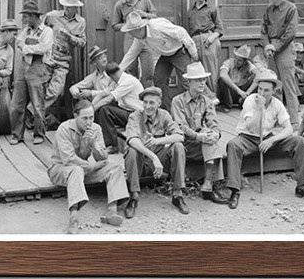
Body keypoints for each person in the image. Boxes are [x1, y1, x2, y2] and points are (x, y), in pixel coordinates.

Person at [224, 69, 304, 210]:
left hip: (268, 138)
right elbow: (250, 126)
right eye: (260, 89)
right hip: (247, 138)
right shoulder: (250, 100)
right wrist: (259, 109)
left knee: (298, 141)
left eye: (266, 90)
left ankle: (302, 186)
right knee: (232, 145)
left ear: (273, 91)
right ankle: (234, 191)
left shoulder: (277, 104)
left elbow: (289, 129)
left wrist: (272, 140)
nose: (261, 93)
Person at [48, 97, 129, 234]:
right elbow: (69, 160)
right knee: (76, 169)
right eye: (85, 118)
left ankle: (112, 211)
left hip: (82, 171)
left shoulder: (95, 128)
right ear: (75, 116)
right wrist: (92, 166)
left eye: (91, 117)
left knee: (115, 167)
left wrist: (94, 145)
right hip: (60, 170)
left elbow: (102, 158)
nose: (89, 122)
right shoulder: (64, 129)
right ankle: (74, 218)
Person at [123, 86, 188, 218]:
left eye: (152, 102)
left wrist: (157, 141)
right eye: (145, 102)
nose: (147, 106)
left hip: (159, 160)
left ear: (159, 103)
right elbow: (132, 140)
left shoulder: (164, 115)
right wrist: (153, 157)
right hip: (141, 163)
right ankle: (134, 196)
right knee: (131, 151)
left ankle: (177, 195)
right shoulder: (134, 116)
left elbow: (180, 136)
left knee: (178, 146)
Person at [171, 62, 229, 204]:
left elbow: (213, 122)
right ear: (189, 82)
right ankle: (210, 186)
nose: (202, 83)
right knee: (207, 138)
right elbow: (181, 126)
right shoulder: (178, 101)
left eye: (203, 80)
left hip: (201, 142)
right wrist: (198, 136)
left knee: (211, 136)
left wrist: (216, 133)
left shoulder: (207, 101)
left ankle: (208, 185)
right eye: (197, 80)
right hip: (184, 143)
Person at [118, 11, 198, 112]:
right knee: (159, 79)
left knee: (187, 81)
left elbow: (181, 32)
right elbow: (131, 55)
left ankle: (196, 109)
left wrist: (193, 53)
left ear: (139, 29)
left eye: (131, 31)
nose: (130, 34)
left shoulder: (157, 26)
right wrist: (118, 71)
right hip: (165, 55)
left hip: (179, 51)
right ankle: (167, 111)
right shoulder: (139, 38)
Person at [8, 1, 53, 146]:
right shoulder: (25, 31)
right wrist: (29, 46)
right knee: (16, 104)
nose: (25, 19)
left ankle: (39, 133)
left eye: (27, 16)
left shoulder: (47, 31)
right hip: (23, 68)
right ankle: (17, 135)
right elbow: (18, 43)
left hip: (38, 67)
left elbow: (44, 47)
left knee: (38, 104)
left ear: (34, 16)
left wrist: (27, 48)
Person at [258, 0, 300, 125]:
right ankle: (276, 118)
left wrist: (275, 46)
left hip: (285, 49)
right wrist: (267, 45)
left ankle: (294, 121)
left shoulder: (291, 9)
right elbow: (263, 30)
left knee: (288, 85)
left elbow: (291, 32)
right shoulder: (268, 10)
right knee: (274, 85)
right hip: (271, 49)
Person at [42, 0, 87, 111]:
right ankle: (37, 118)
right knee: (41, 88)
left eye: (70, 7)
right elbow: (40, 28)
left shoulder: (80, 22)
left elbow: (82, 42)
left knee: (56, 91)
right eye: (65, 6)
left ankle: (33, 110)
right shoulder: (52, 16)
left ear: (75, 8)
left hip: (63, 61)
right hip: (48, 57)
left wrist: (70, 37)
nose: (67, 9)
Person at [93, 62, 145, 151]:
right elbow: (103, 94)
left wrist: (92, 109)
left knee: (105, 110)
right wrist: (90, 106)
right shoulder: (117, 80)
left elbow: (109, 99)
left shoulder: (128, 81)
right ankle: (99, 140)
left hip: (137, 115)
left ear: (110, 76)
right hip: (127, 110)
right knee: (102, 108)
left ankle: (112, 146)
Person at [111, 0, 157, 80]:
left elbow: (155, 16)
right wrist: (128, 25)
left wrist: (144, 15)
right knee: (130, 71)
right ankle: (134, 94)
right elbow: (114, 25)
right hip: (130, 39)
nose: (127, 0)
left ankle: (148, 93)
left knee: (149, 71)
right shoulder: (119, 5)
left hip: (146, 37)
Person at [185, 0, 223, 91]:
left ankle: (212, 99)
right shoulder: (190, 11)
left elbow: (220, 28)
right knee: (196, 71)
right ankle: (201, 99)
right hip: (194, 41)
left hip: (208, 40)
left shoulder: (212, 8)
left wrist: (212, 38)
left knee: (210, 70)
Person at [218, 44, 260, 109]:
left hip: (243, 91)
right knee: (221, 80)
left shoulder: (248, 65)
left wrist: (248, 92)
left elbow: (258, 75)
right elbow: (222, 75)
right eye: (236, 58)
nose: (236, 61)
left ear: (244, 61)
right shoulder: (229, 62)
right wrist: (238, 91)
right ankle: (227, 104)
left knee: (257, 78)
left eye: (239, 60)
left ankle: (244, 102)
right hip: (231, 91)